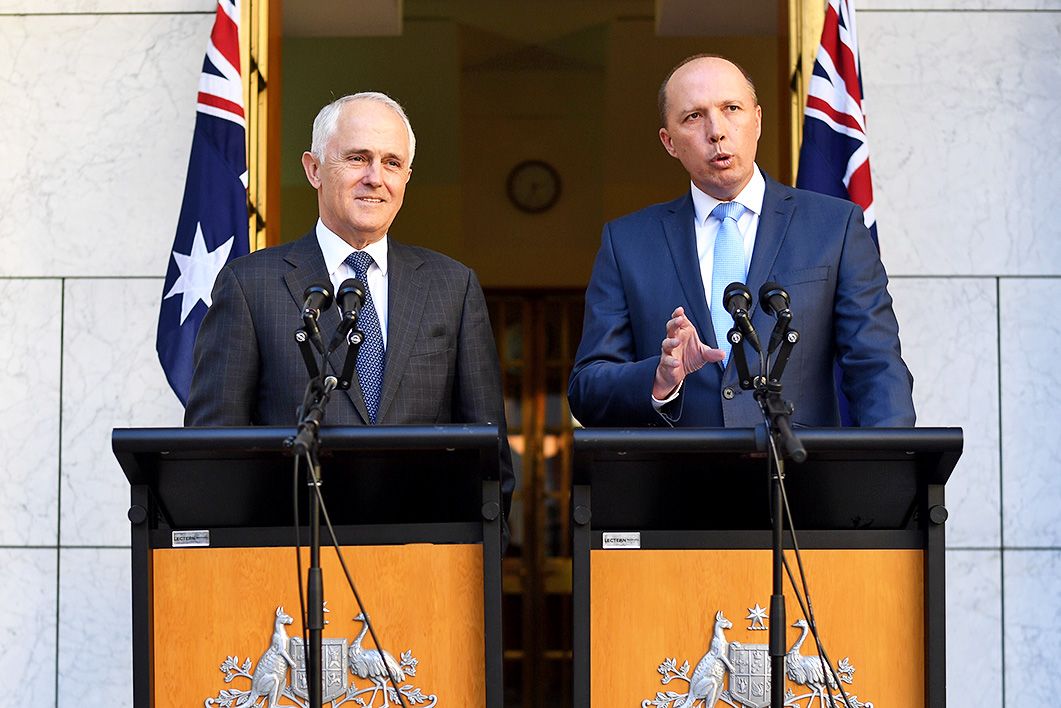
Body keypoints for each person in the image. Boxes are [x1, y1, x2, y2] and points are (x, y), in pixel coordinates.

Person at [186, 92, 514, 515]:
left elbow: (490, 459)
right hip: (296, 545)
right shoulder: (249, 285)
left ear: (406, 178)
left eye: (392, 163)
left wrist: (482, 553)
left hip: (423, 548)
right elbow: (212, 453)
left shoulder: (453, 286)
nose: (375, 177)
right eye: (358, 158)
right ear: (314, 169)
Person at [568, 55, 914, 428]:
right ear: (669, 142)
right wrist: (659, 377)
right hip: (679, 465)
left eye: (731, 108)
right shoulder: (627, 243)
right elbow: (587, 389)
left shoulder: (835, 227)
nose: (716, 131)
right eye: (693, 117)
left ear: (758, 120)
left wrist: (889, 460)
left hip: (796, 463)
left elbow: (876, 367)